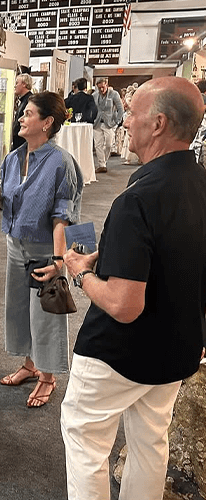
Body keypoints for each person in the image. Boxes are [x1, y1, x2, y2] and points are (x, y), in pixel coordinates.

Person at [61, 77, 206, 500]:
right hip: (177, 346)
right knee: (150, 442)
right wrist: (107, 256)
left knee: (85, 440)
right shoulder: (198, 182)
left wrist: (81, 273)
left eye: (132, 113)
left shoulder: (138, 198)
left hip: (119, 352)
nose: (125, 122)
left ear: (158, 123)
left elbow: (124, 305)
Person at [0, 91, 83, 408]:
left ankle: (48, 376)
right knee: (19, 310)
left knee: (45, 314)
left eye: (28, 113)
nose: (21, 118)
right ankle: (30, 365)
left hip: (45, 249)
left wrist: (59, 260)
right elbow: (13, 201)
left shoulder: (61, 163)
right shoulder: (13, 159)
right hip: (15, 244)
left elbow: (62, 216)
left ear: (47, 122)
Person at [93, 77, 124, 173]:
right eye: (99, 88)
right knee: (98, 145)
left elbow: (120, 109)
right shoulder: (94, 95)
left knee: (108, 145)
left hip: (109, 123)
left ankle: (104, 161)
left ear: (106, 85)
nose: (101, 89)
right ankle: (101, 164)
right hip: (97, 123)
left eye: (103, 87)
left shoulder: (114, 94)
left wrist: (117, 121)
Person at [12, 73, 33, 151]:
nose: (15, 86)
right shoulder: (24, 100)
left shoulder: (30, 101)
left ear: (24, 84)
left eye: (17, 83)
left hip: (23, 143)